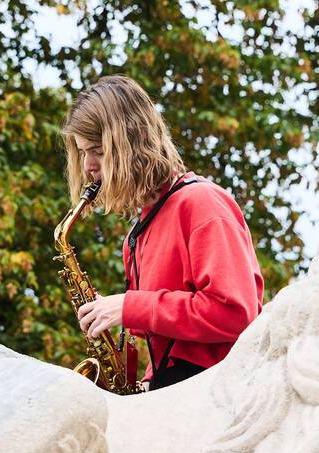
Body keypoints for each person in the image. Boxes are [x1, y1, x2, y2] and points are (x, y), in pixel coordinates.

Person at [67, 75, 265, 390]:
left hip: (223, 394)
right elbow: (173, 343)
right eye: (82, 152)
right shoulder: (137, 235)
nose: (88, 165)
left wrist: (129, 307)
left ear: (131, 144)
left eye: (98, 151)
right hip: (181, 393)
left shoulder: (201, 202)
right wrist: (149, 382)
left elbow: (235, 314)